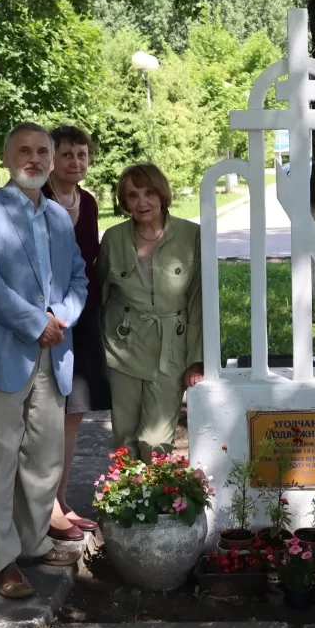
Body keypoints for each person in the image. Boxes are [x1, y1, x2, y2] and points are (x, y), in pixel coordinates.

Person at [0, 122, 90, 599]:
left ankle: (33, 542)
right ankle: (1, 561)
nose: (34, 158)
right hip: (0, 354)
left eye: (42, 151)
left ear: (51, 160)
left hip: (53, 352)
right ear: (6, 158)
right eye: (24, 151)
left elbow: (78, 277)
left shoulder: (57, 216)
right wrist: (36, 322)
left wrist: (61, 316)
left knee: (44, 456)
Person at [97, 163, 203, 461]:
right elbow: (100, 293)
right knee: (124, 436)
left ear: (162, 194)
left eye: (149, 193)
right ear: (124, 201)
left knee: (156, 441)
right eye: (133, 195)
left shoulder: (192, 235)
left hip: (171, 348)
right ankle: (125, 489)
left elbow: (199, 299)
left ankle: (154, 488)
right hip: (122, 347)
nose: (142, 202)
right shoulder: (113, 238)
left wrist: (197, 360)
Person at [41, 125, 108, 543]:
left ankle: (61, 499)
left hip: (86, 313)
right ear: (51, 158)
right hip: (49, 319)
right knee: (47, 410)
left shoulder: (89, 201)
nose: (76, 162)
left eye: (82, 155)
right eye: (67, 154)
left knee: (74, 412)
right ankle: (45, 505)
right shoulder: (38, 198)